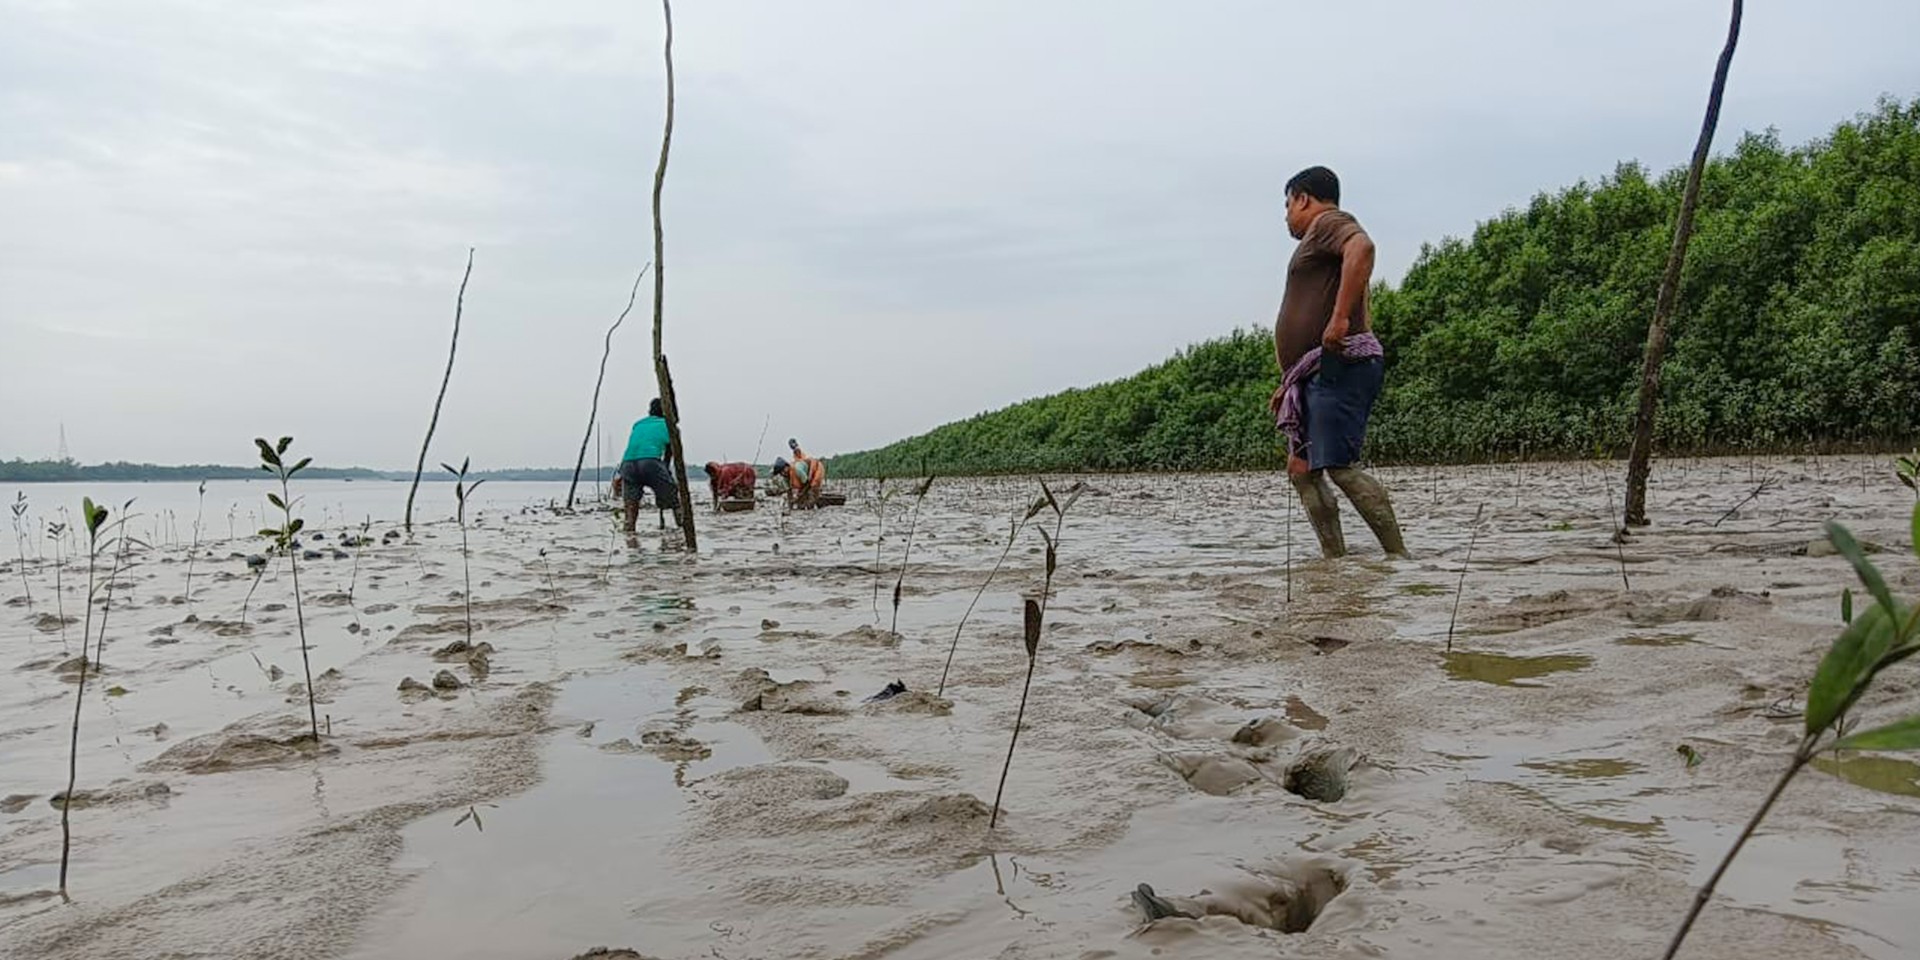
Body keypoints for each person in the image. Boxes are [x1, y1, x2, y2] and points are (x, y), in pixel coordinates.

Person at [1267, 166, 1407, 559]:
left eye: (1287, 205)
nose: (1286, 217)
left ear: (1302, 198)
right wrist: (1288, 382)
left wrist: (1341, 318)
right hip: (1313, 375)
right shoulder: (1318, 235)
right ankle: (1335, 564)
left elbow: (1362, 248)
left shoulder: (1330, 222)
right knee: (1302, 472)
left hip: (1340, 365)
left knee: (1340, 467)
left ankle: (1399, 558)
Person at [616, 398, 678, 538]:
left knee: (630, 505)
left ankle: (630, 537)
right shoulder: (669, 425)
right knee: (673, 495)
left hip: (627, 464)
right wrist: (666, 474)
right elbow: (670, 452)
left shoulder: (638, 424)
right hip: (650, 462)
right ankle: (681, 528)